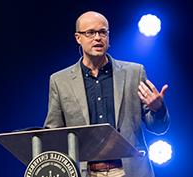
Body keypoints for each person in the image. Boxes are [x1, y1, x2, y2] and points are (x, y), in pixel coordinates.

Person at [44, 11, 170, 177]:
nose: (98, 37)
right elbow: (53, 135)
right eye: (90, 32)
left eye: (102, 32)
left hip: (129, 171)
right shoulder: (60, 81)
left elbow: (159, 127)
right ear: (78, 38)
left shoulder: (134, 72)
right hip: (85, 172)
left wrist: (157, 109)